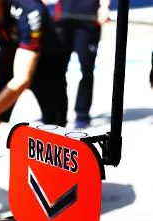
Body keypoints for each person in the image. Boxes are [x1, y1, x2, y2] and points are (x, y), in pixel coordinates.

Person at [0, 0, 68, 205]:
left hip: (47, 65)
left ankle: (56, 199)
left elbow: (22, 79)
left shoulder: (30, 10)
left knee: (56, 137)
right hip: (9, 58)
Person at [52, 0, 111, 129]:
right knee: (57, 69)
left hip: (87, 20)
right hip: (63, 18)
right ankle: (54, 113)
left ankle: (82, 114)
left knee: (87, 70)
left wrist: (104, 7)